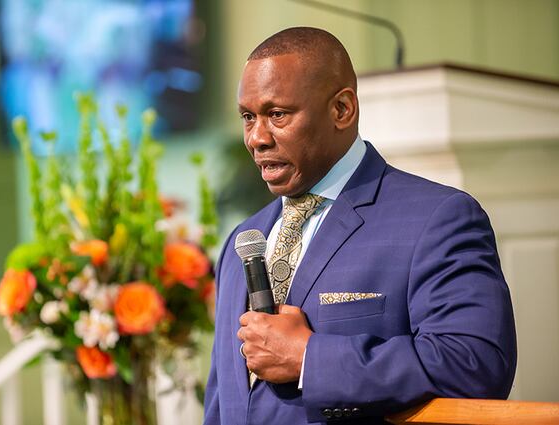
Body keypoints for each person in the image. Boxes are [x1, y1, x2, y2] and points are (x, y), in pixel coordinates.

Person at [204, 27, 517, 425]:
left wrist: (309, 358)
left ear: (342, 110)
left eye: (277, 114)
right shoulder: (242, 243)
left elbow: (474, 364)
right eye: (248, 117)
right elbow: (222, 403)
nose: (257, 138)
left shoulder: (438, 219)